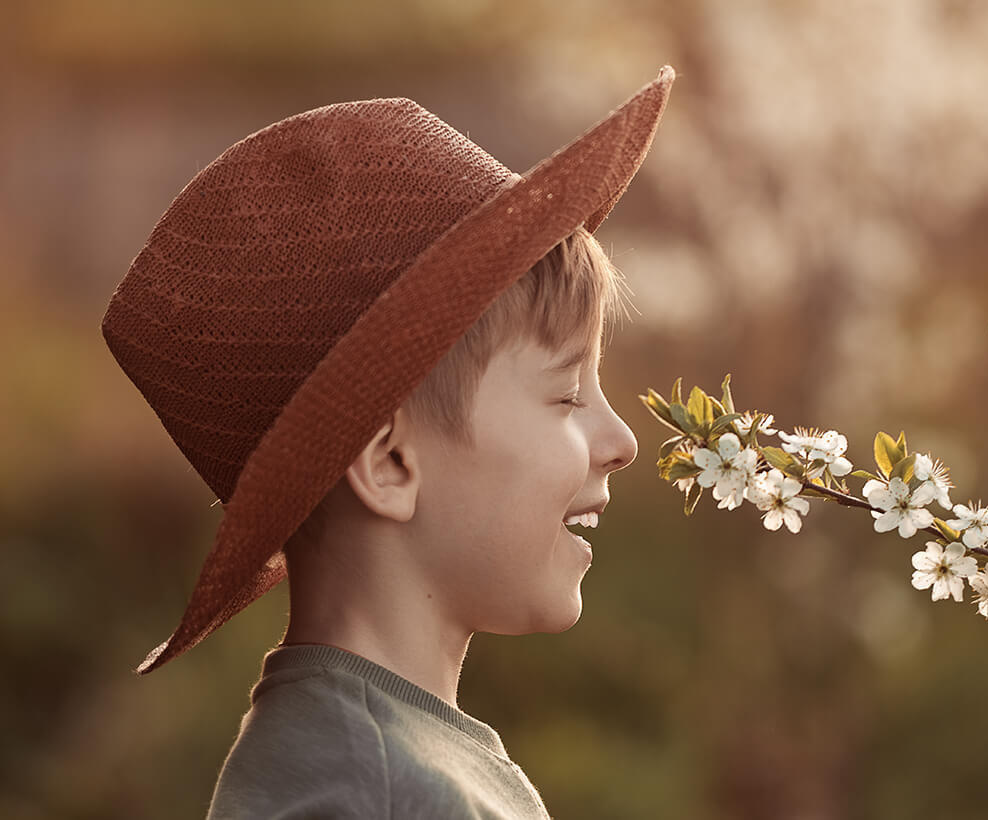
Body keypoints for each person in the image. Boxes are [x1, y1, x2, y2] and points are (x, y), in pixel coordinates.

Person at [101, 65, 675, 818]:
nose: (623, 439)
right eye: (567, 395)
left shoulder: (395, 759)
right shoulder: (363, 790)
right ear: (390, 461)